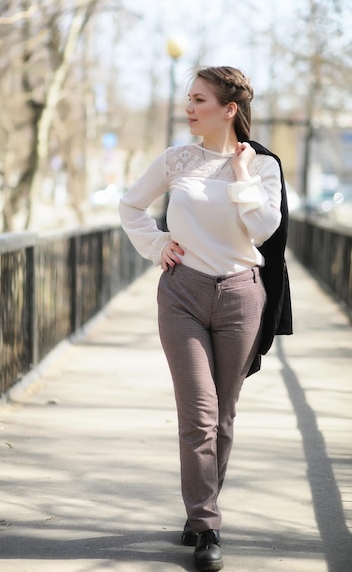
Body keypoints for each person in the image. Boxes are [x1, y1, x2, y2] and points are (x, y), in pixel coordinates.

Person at [118, 65, 292, 571]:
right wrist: (157, 245)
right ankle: (208, 525)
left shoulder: (262, 166)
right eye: (188, 98)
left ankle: (200, 512)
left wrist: (240, 177)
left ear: (228, 109)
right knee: (199, 414)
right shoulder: (177, 160)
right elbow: (131, 206)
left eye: (199, 99)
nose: (189, 107)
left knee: (225, 414)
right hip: (183, 294)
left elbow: (262, 229)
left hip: (242, 296)